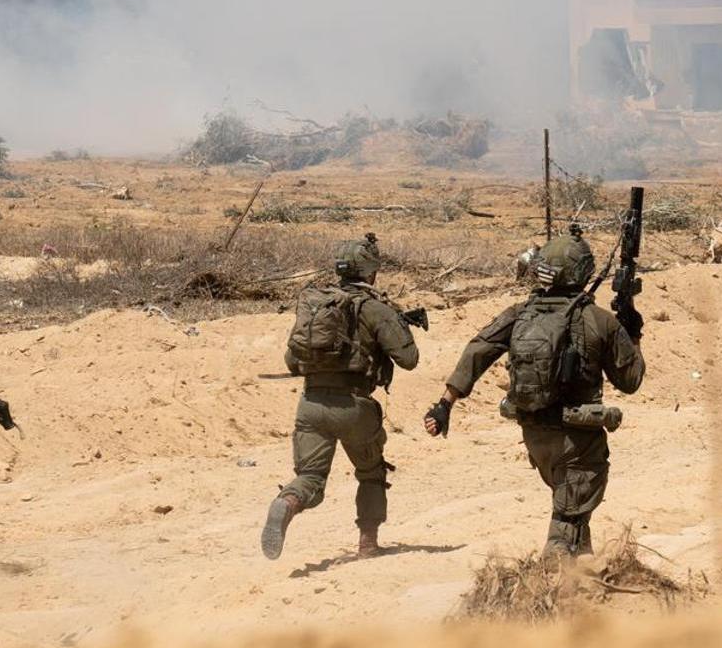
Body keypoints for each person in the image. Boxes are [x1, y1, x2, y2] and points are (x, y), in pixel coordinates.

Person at [423, 231, 644, 556]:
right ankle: (545, 594)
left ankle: (582, 582)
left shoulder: (520, 313)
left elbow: (477, 351)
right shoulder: (598, 321)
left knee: (573, 511)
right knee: (567, 520)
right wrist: (632, 331)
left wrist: (444, 405)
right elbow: (631, 380)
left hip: (535, 435)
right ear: (582, 272)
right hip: (577, 440)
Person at [262, 234, 420, 561]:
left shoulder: (316, 303)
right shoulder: (375, 307)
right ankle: (368, 545)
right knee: (371, 472)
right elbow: (409, 359)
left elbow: (293, 361)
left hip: (311, 405)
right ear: (371, 272)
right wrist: (398, 325)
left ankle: (287, 503)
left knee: (310, 478)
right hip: (354, 406)